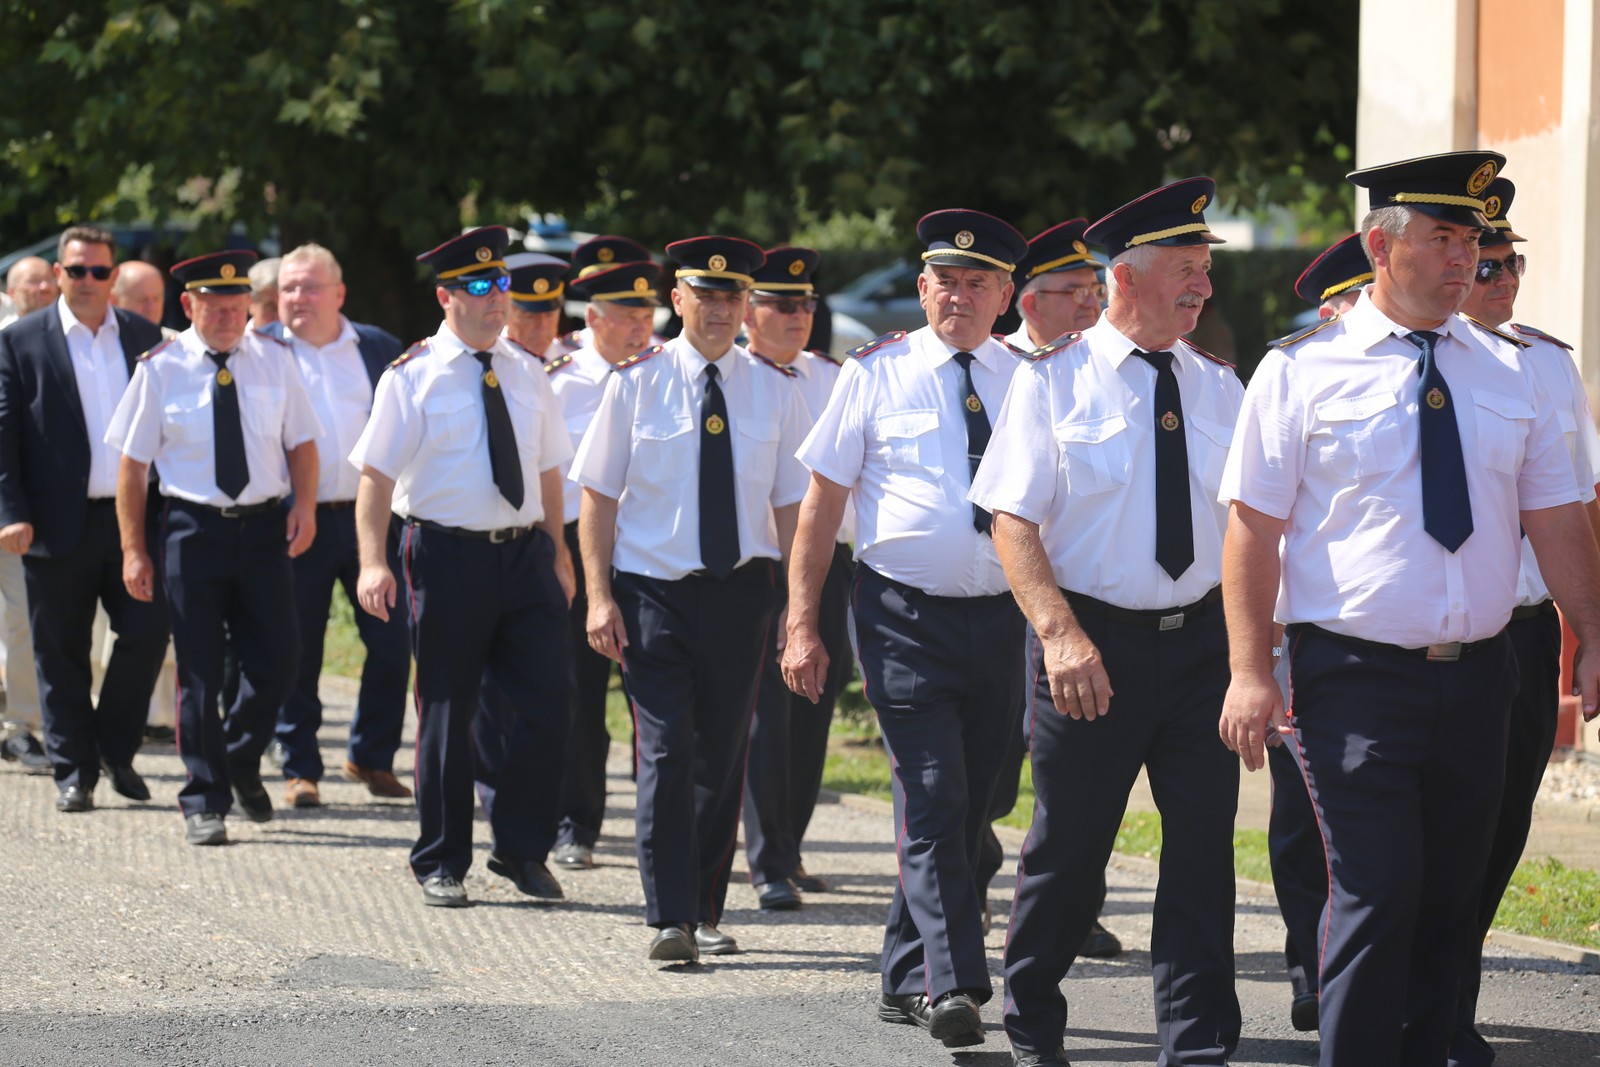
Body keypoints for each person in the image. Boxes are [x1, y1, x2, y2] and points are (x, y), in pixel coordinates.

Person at [1218, 150, 1600, 1067]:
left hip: (1480, 673)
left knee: (1450, 899)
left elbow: (1555, 521)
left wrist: (1592, 636)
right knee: (1379, 890)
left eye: (1472, 239)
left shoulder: (1512, 375)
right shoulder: (1302, 371)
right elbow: (1252, 528)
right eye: (1443, 236)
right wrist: (1247, 667)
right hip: (1354, 676)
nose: (1466, 256)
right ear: (1380, 247)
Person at [971, 180, 1243, 1067]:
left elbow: (1249, 525)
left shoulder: (1218, 386)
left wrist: (1256, 649)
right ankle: (1032, 1022)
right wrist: (1058, 634)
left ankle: (1196, 1042)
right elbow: (1012, 520)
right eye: (1185, 271)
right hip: (1093, 646)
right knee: (1072, 849)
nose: (1202, 288)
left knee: (1203, 855)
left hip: (1202, 643)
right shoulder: (1052, 381)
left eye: (1205, 271)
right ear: (1124, 277)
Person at [783, 209, 1028, 1050]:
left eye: (978, 282)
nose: (959, 295)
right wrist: (800, 623)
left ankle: (900, 967)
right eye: (945, 281)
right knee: (934, 794)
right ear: (922, 288)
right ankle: (952, 982)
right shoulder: (874, 373)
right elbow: (821, 507)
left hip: (1003, 619)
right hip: (900, 617)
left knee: (975, 805)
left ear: (1005, 295)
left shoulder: (1029, 377)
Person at [571, 235, 809, 964]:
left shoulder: (775, 388)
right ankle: (669, 913)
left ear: (745, 305)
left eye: (731, 296)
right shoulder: (636, 382)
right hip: (653, 596)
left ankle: (706, 907)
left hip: (740, 593)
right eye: (704, 295)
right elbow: (598, 495)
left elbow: (796, 506)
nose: (718, 309)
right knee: (668, 749)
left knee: (724, 754)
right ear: (676, 300)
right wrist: (599, 596)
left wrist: (799, 609)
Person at [351, 226, 574, 908]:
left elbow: (547, 468)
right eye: (478, 287)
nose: (495, 299)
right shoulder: (412, 374)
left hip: (525, 553)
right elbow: (376, 478)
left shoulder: (528, 369)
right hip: (447, 555)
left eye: (500, 284)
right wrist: (371, 561)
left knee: (550, 700)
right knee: (448, 709)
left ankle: (520, 847)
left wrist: (560, 550)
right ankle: (442, 857)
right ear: (446, 295)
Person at [1450, 179, 1600, 1067]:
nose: (1503, 277)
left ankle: (1447, 995)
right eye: (1487, 263)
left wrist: (1589, 636)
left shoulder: (1547, 362)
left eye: (1513, 262)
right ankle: (1390, 999)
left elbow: (1574, 507)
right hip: (1428, 636)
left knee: (1500, 826)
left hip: (1526, 626)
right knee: (1424, 835)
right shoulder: (1399, 361)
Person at [105, 249, 320, 846]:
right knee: (197, 673)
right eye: (214, 307)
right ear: (189, 306)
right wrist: (133, 549)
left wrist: (303, 506)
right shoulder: (161, 367)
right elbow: (132, 466)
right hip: (192, 531)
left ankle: (241, 758)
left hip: (262, 530)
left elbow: (301, 443)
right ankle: (204, 796)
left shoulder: (276, 361)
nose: (228, 317)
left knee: (281, 659)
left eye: (237, 306)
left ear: (250, 305)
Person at [982, 216, 1122, 959]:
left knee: (1075, 771)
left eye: (1094, 289)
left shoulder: (1102, 368)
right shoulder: (1000, 367)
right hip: (994, 598)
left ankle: (1080, 906)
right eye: (1071, 292)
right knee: (993, 762)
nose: (1088, 305)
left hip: (1071, 605)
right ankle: (970, 875)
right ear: (1028, 303)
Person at [0, 226, 170, 811]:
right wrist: (11, 513)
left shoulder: (149, 338)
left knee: (147, 632)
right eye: (77, 271)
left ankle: (114, 749)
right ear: (58, 275)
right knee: (60, 649)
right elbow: (5, 438)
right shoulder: (22, 341)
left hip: (135, 523)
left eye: (100, 271)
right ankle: (75, 769)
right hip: (53, 525)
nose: (89, 282)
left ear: (114, 274)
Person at [1263, 229, 1378, 1033]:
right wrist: (1259, 655)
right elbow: (1257, 527)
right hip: (1302, 636)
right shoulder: (1295, 375)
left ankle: (1352, 979)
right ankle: (1312, 968)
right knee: (1304, 819)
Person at [256, 242, 411, 809]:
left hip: (372, 522)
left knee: (394, 643)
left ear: (338, 294)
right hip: (297, 522)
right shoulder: (261, 348)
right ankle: (300, 766)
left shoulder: (377, 349)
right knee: (299, 650)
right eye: (288, 288)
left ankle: (370, 756)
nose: (296, 297)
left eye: (309, 287)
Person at [739, 246, 851, 909]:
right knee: (763, 717)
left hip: (828, 565)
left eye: (806, 304)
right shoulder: (737, 378)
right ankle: (766, 859)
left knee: (812, 708)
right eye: (782, 304)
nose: (796, 316)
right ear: (751, 311)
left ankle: (791, 842)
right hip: (757, 566)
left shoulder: (833, 377)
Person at [544, 255, 662, 872]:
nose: (640, 328)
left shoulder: (665, 371)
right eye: (626, 317)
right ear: (592, 318)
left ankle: (662, 830)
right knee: (581, 697)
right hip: (575, 545)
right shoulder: (555, 379)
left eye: (647, 315)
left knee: (658, 704)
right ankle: (577, 823)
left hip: (651, 548)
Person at [501, 252, 568, 361]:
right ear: (506, 311)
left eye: (549, 315)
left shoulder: (578, 364)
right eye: (530, 316)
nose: (542, 326)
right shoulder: (489, 361)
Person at [110, 260, 179, 338]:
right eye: (143, 300)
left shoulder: (177, 345)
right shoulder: (101, 344)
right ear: (113, 301)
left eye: (156, 299)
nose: (152, 308)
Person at [2, 256, 59, 326]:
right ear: (12, 293)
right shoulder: (6, 333)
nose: (45, 286)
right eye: (34, 281)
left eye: (50, 278)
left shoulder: (72, 320)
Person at [247, 257, 280, 328]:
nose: (279, 316)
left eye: (283, 307)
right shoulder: (236, 339)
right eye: (271, 307)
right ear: (251, 304)